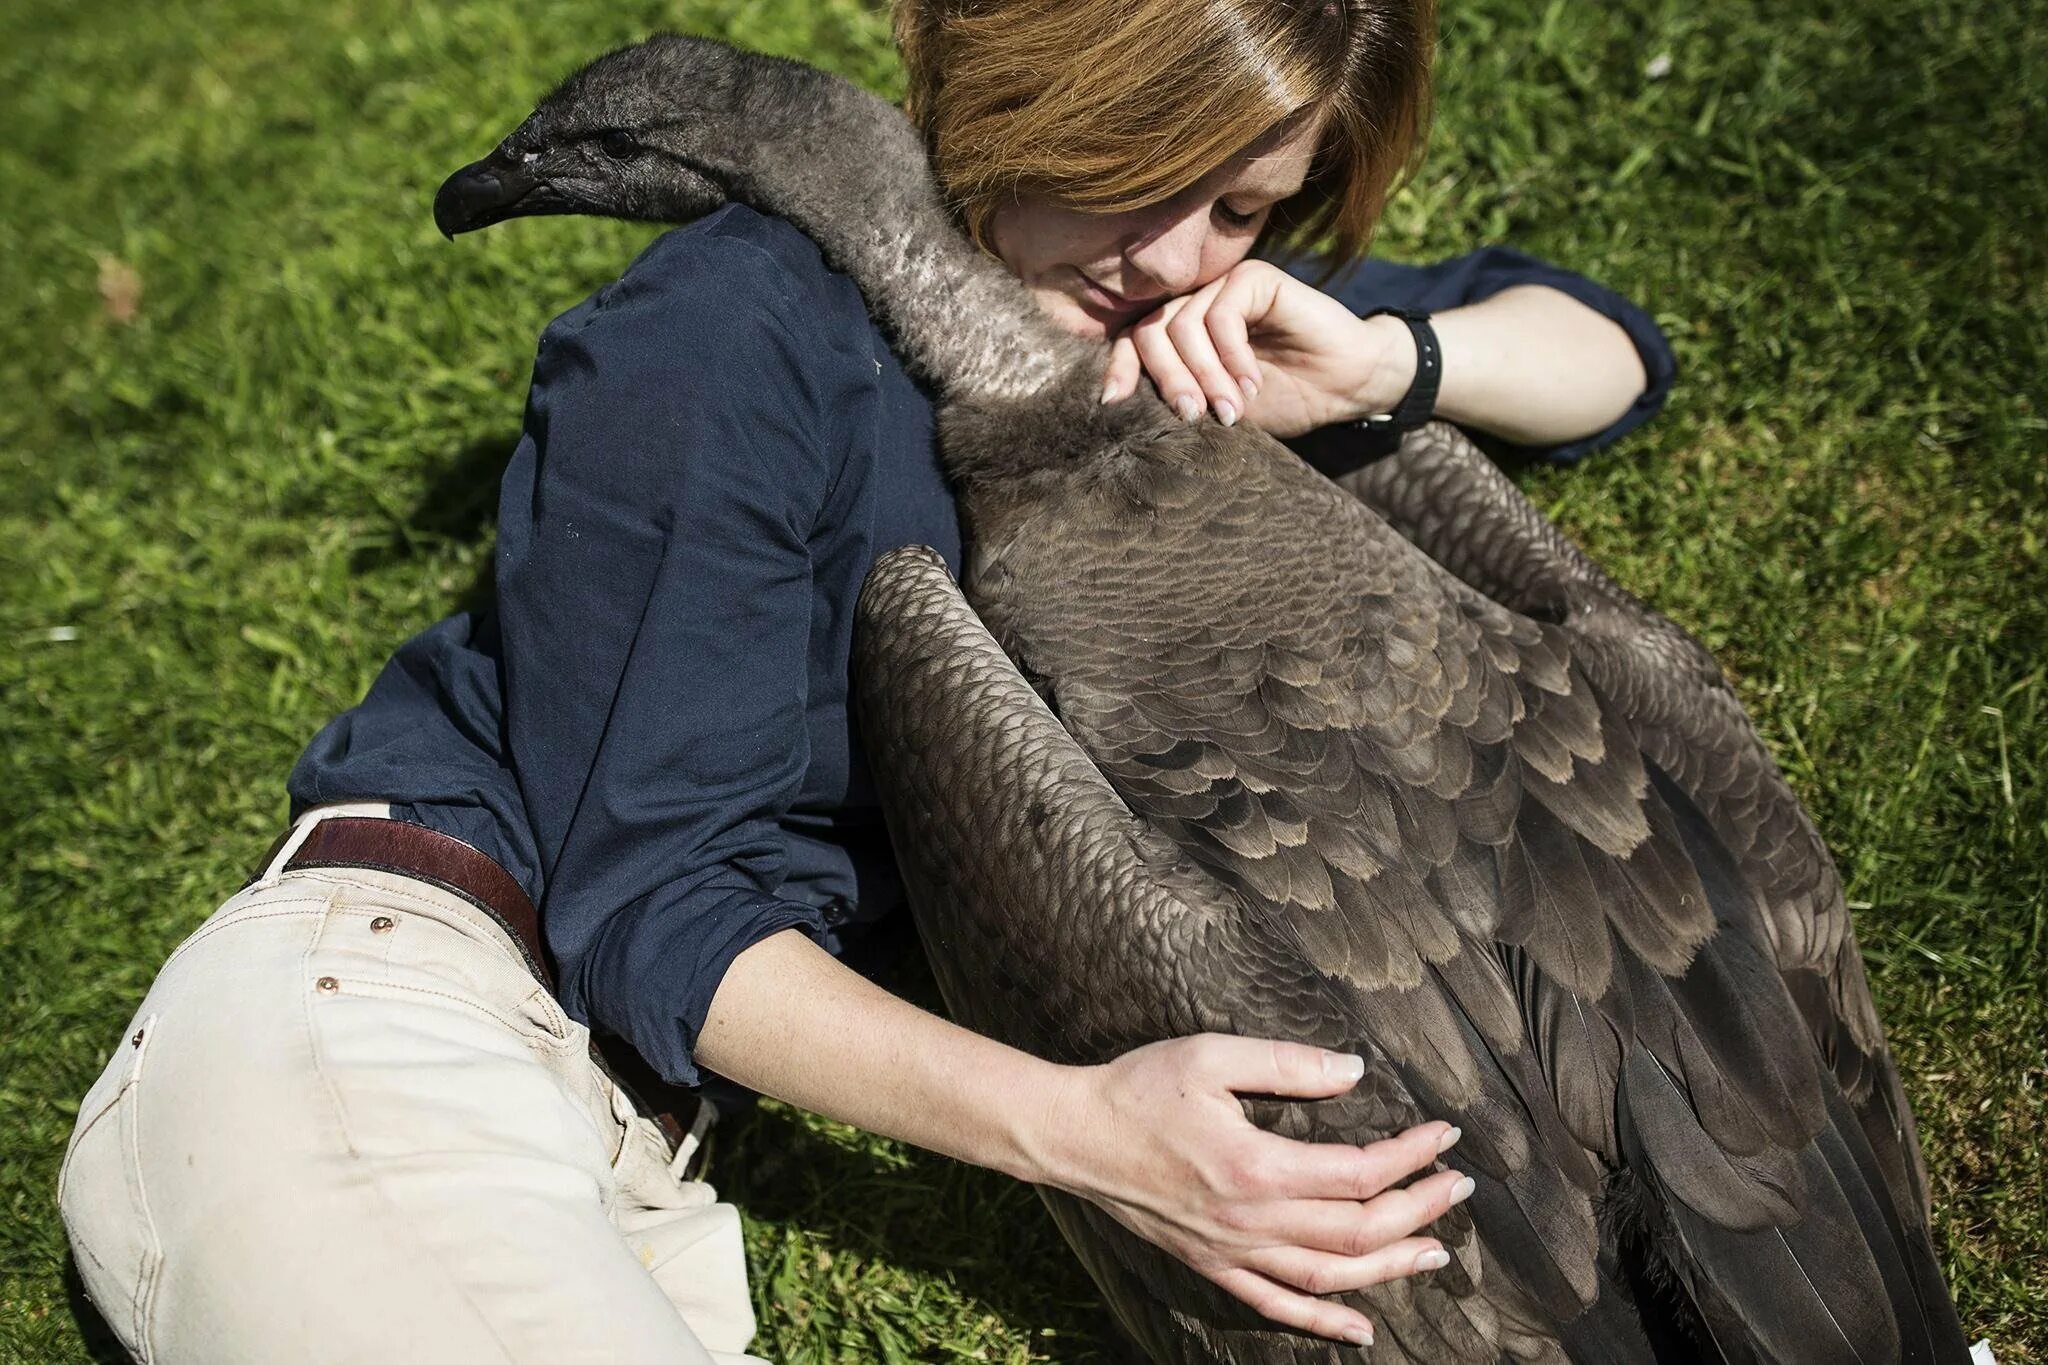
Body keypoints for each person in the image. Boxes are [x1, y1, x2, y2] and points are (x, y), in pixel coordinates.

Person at [58, 1, 1674, 1361]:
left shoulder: (1163, 323)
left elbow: (1603, 347)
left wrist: (1390, 364)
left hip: (655, 1131)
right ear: (1021, 85)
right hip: (393, 1021)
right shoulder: (729, 336)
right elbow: (652, 902)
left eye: (1246, 208)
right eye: (1143, 170)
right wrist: (1087, 1130)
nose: (1181, 249)